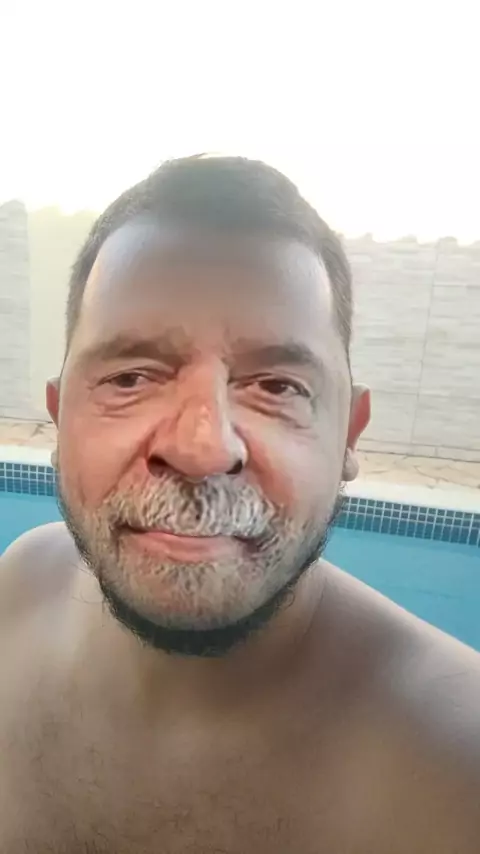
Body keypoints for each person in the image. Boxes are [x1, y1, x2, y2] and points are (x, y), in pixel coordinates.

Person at [0, 155, 479, 854]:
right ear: (58, 418)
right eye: (130, 378)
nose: (202, 449)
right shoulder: (18, 589)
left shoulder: (458, 767)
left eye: (278, 387)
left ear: (348, 436)